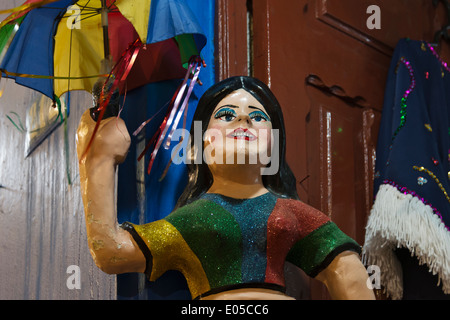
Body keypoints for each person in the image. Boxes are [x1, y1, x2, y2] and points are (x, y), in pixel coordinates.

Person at [76, 76, 375, 300]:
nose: (243, 119)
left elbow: (346, 268)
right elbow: (111, 251)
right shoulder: (192, 220)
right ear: (199, 145)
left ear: (273, 146)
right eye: (226, 115)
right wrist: (98, 158)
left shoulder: (292, 213)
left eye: (258, 117)